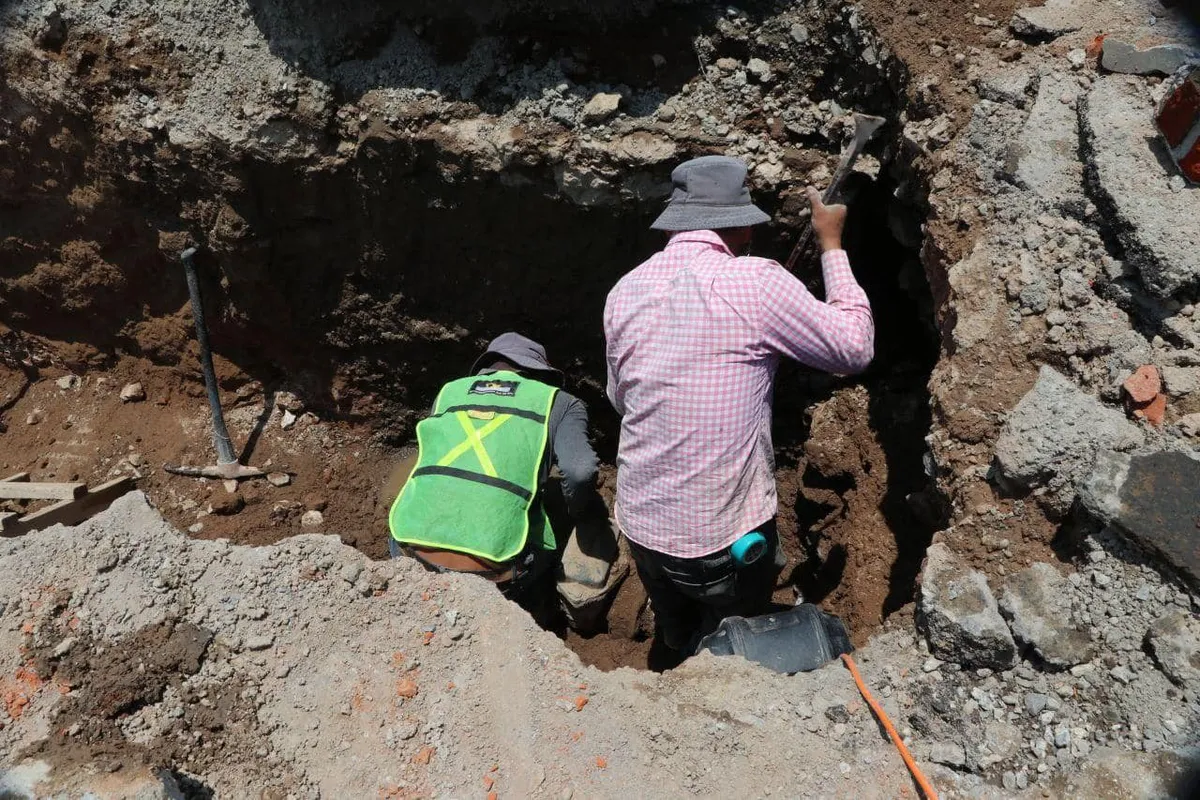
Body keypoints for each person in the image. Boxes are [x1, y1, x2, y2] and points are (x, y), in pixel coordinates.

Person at [603, 155, 875, 653]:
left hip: (640, 521)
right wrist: (831, 245)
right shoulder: (754, 281)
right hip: (717, 540)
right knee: (735, 644)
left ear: (674, 225)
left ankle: (675, 661)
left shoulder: (624, 290)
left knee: (676, 623)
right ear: (744, 230)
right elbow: (854, 348)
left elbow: (622, 400)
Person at [388, 332, 606, 598]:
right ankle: (537, 612)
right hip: (493, 573)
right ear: (540, 374)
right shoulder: (561, 402)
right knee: (548, 547)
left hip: (409, 551)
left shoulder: (449, 392)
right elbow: (580, 471)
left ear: (487, 368)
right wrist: (580, 512)